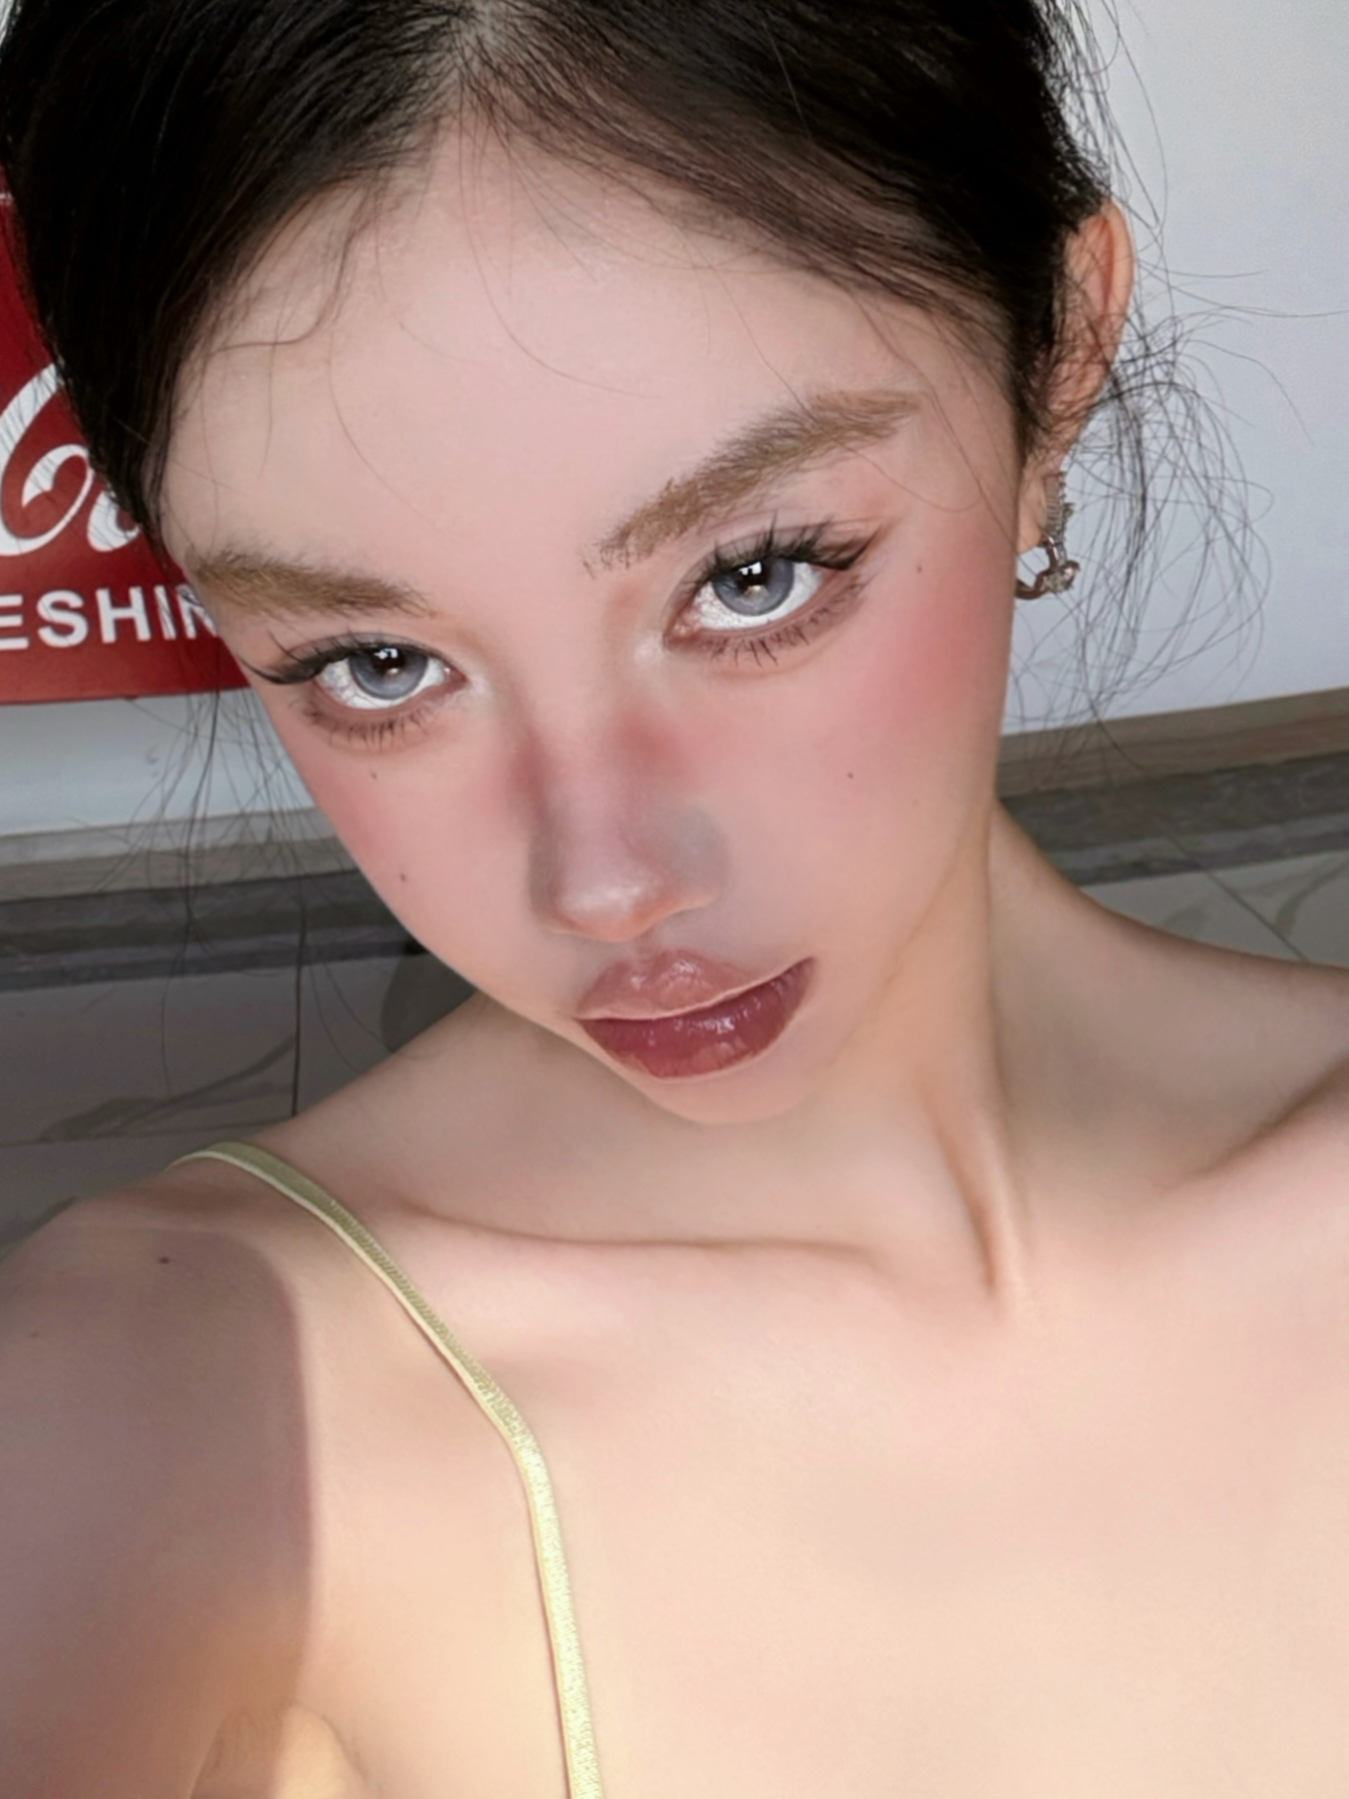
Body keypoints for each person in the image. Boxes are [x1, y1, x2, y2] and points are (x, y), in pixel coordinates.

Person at [4, 2, 1349, 1793]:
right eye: (376, 662)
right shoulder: (159, 1408)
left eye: (755, 574)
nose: (609, 879)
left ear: (1056, 357)